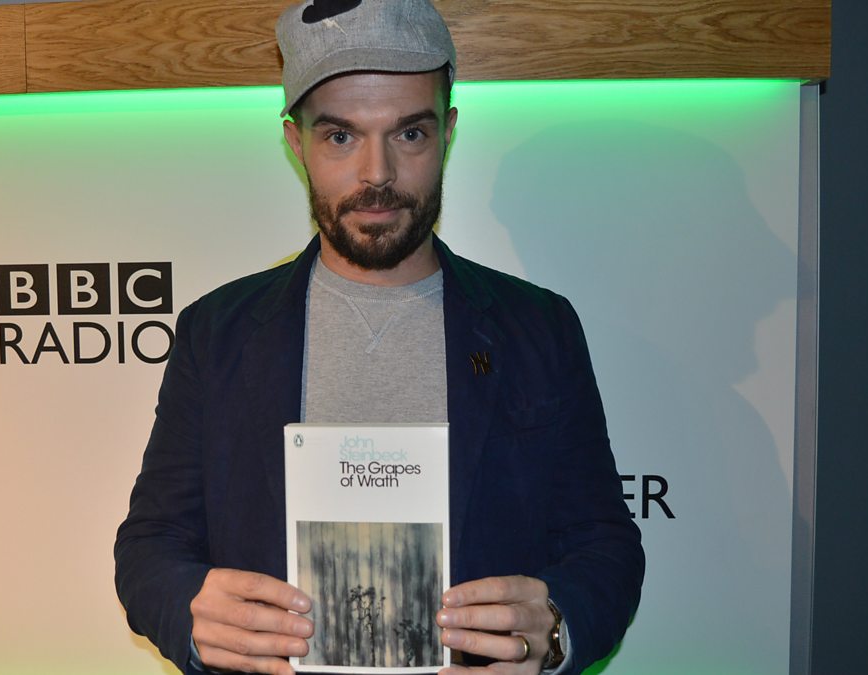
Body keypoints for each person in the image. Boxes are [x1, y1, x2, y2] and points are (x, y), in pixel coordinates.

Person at [114, 2, 644, 674]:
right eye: (340, 136)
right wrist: (191, 611)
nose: (377, 173)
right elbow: (151, 543)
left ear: (448, 132)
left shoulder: (539, 327)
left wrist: (558, 627)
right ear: (296, 142)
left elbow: (604, 545)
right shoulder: (216, 332)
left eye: (410, 134)